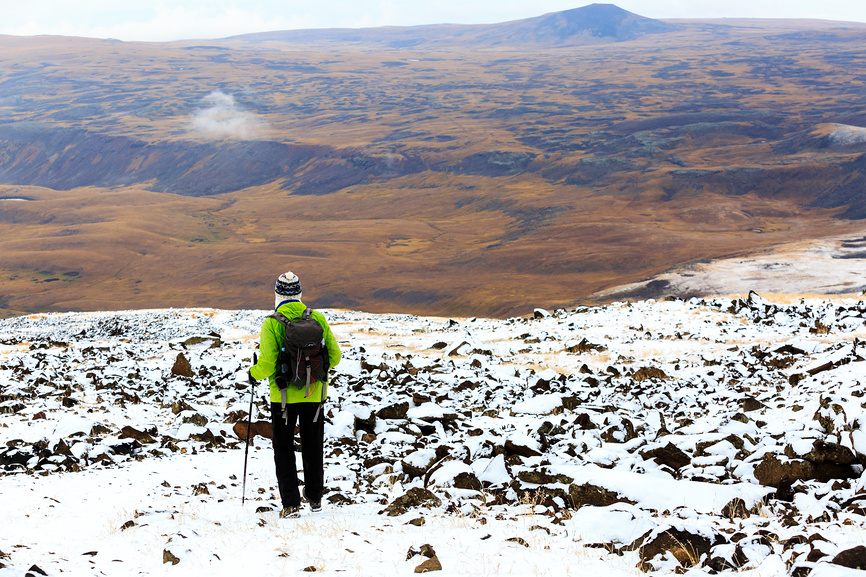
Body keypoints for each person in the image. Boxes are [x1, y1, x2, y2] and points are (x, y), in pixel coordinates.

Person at [249, 271, 341, 518]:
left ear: (277, 294)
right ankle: (315, 499)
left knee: (284, 448)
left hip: (283, 398)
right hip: (314, 395)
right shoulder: (317, 317)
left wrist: (253, 373)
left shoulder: (271, 323)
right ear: (300, 293)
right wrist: (314, 372)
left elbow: (267, 364)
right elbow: (335, 356)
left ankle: (290, 504)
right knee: (313, 446)